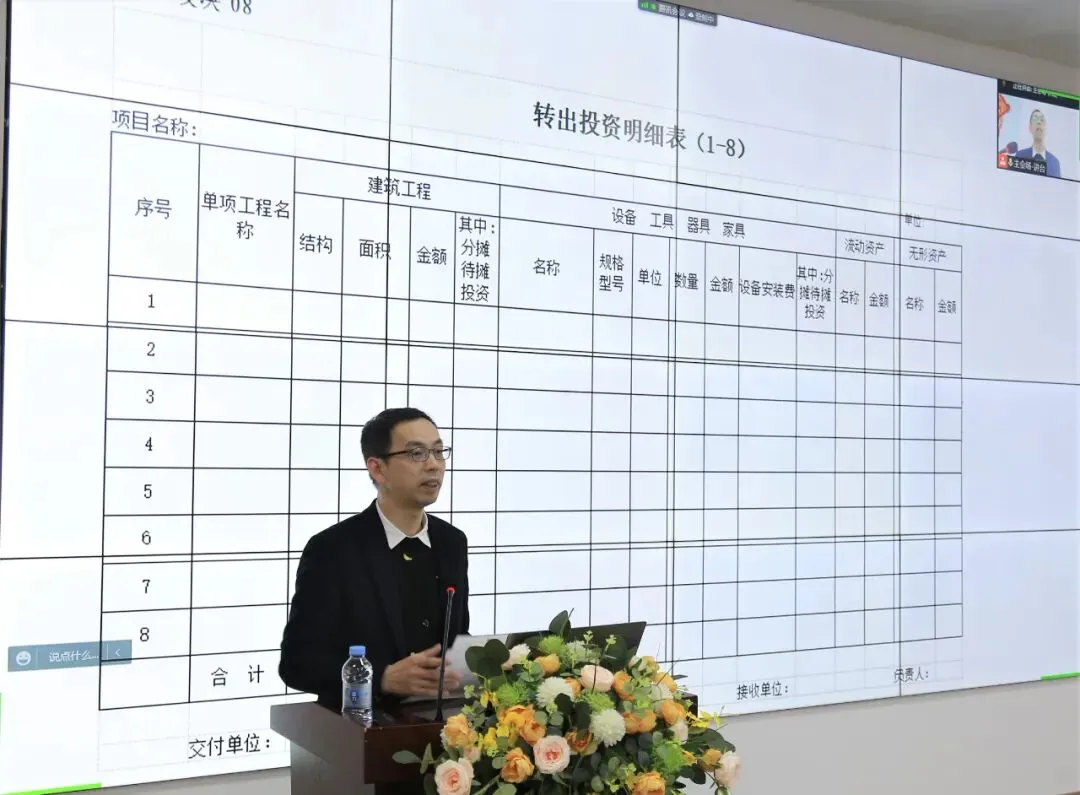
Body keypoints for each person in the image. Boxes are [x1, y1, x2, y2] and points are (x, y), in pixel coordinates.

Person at [279, 407, 469, 711]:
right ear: (377, 469)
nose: (434, 465)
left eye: (438, 452)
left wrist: (488, 662)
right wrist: (382, 677)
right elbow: (297, 663)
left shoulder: (452, 542)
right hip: (360, 725)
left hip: (441, 724)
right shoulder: (333, 549)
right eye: (417, 454)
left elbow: (455, 637)